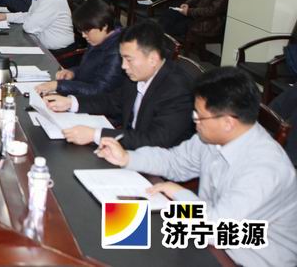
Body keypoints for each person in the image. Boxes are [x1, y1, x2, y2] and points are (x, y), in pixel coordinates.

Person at [97, 67, 297, 267]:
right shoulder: (216, 137)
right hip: (206, 239)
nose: (195, 122)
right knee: (115, 242)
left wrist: (179, 193)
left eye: (199, 116)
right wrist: (127, 158)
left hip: (244, 258)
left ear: (228, 122)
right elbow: (174, 161)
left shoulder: (265, 170)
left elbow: (215, 229)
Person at [43, 20, 194, 149]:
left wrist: (96, 135)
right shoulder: (138, 74)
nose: (123, 66)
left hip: (156, 164)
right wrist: (71, 102)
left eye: (129, 59)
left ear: (153, 59)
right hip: (130, 149)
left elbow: (155, 140)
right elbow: (113, 101)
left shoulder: (177, 89)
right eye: (122, 58)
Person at [35, 0, 127, 97]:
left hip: (98, 102)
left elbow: (100, 91)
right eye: (82, 31)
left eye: (86, 31)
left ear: (104, 26)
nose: (83, 35)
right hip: (83, 93)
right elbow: (89, 69)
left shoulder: (118, 52)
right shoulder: (98, 38)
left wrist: (59, 86)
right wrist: (72, 73)